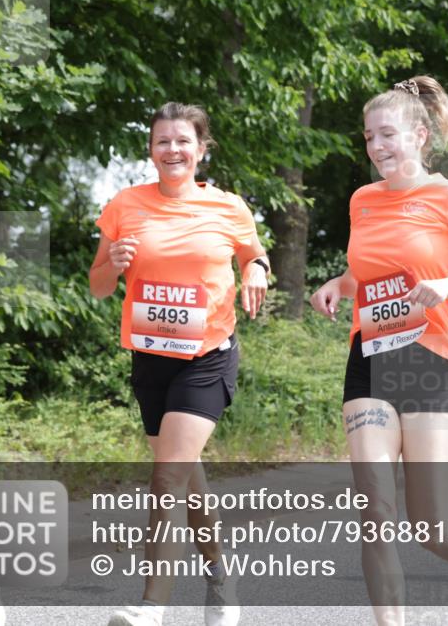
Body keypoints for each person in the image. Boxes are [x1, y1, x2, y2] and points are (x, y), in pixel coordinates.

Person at [310, 76, 448, 626]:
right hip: (371, 362)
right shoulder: (362, 201)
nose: (377, 147)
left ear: (420, 135)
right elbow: (370, 271)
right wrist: (340, 284)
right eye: (368, 138)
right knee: (375, 514)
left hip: (433, 363)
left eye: (387, 135)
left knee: (429, 527)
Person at [89, 103, 270, 626]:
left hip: (206, 358)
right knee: (188, 480)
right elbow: (98, 286)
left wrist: (256, 271)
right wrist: (113, 264)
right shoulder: (125, 205)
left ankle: (152, 607)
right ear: (151, 149)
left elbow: (252, 256)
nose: (173, 150)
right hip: (151, 359)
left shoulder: (228, 207)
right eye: (163, 141)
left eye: (182, 141)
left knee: (166, 478)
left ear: (201, 148)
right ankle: (222, 581)